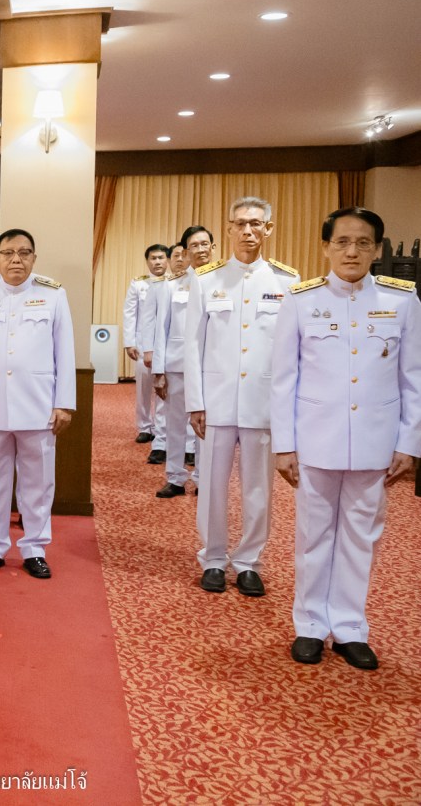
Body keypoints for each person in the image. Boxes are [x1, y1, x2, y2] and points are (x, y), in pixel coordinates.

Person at [272, 208, 420, 670]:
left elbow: (413, 378)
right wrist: (284, 443)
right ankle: (310, 625)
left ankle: (350, 627)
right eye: (342, 242)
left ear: (377, 249)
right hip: (316, 439)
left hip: (376, 441)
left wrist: (409, 443)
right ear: (326, 247)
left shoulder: (402, 301)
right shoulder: (301, 300)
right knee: (313, 534)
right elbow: (284, 378)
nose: (352, 251)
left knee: (361, 536)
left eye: (363, 243)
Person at [185, 196, 299, 597]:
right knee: (212, 485)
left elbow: (291, 350)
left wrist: (286, 408)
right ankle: (214, 558)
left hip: (262, 402)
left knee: (258, 488)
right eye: (240, 224)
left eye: (256, 223)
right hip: (216, 401)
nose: (248, 231)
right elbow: (192, 344)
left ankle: (250, 561)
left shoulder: (286, 281)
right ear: (229, 229)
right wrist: (195, 402)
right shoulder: (206, 279)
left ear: (268, 228)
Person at [0, 229, 75, 579]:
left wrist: (64, 403)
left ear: (34, 258)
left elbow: (64, 352)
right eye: (8, 253)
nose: (16, 260)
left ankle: (35, 548)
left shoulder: (53, 294)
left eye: (24, 253)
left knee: (37, 484)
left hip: (38, 406)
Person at [147, 232, 209, 498]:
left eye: (204, 244)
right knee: (174, 426)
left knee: (207, 427)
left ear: (213, 247)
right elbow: (161, 329)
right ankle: (175, 477)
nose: (200, 249)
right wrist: (158, 371)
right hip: (177, 366)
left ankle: (203, 479)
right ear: (184, 252)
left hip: (210, 369)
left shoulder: (221, 282)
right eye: (194, 245)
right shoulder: (172, 285)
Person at [124, 245, 169, 462]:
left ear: (167, 260)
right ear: (147, 261)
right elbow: (130, 313)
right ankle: (144, 426)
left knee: (163, 390)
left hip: (166, 346)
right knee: (143, 387)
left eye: (161, 258)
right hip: (143, 345)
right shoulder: (139, 283)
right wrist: (129, 342)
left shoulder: (173, 283)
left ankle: (161, 430)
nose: (157, 262)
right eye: (153, 258)